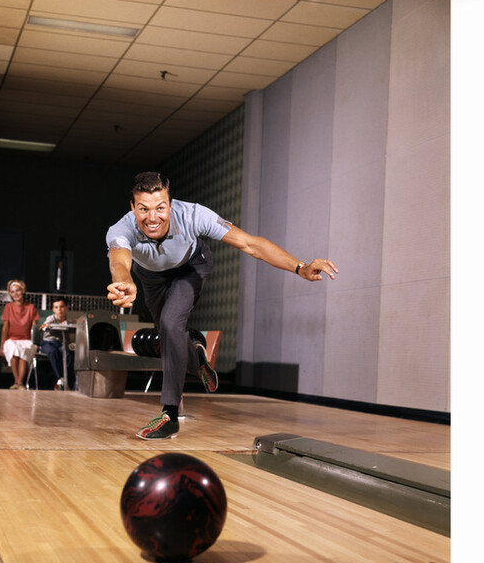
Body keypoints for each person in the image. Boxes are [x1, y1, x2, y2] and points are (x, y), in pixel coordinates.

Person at [106, 171, 338, 439]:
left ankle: (169, 414)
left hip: (190, 267)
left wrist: (300, 268)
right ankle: (197, 353)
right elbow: (119, 260)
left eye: (160, 207)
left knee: (170, 324)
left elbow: (250, 244)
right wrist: (125, 281)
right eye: (144, 209)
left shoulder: (194, 215)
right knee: (171, 336)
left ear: (171, 204)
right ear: (133, 207)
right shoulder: (121, 228)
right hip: (150, 277)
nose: (153, 217)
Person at [0, 279, 40, 390]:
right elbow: (5, 328)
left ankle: (19, 383)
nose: (15, 294)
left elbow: (34, 327)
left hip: (26, 339)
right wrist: (2, 346)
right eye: (12, 292)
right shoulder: (8, 307)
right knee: (13, 349)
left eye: (18, 290)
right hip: (12, 339)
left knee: (25, 351)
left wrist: (36, 343)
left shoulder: (31, 307)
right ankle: (17, 381)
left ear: (22, 291)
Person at [38, 296, 76, 390]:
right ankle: (60, 378)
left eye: (62, 307)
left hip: (61, 344)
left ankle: (67, 379)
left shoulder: (69, 320)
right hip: (48, 343)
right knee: (52, 351)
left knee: (69, 354)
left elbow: (76, 326)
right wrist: (46, 326)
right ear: (53, 309)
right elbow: (43, 326)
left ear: (66, 307)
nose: (59, 310)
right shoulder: (51, 318)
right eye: (56, 307)